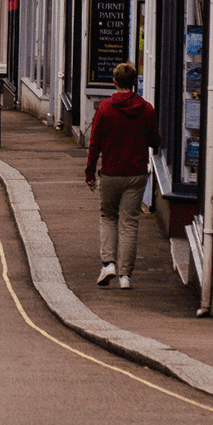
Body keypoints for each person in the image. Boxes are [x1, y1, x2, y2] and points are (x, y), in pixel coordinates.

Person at [85, 61, 161, 289]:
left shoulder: (105, 109)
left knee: (108, 217)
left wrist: (90, 172)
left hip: (110, 172)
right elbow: (155, 142)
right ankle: (125, 276)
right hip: (136, 174)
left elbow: (94, 143)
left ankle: (108, 263)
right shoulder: (146, 109)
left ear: (115, 82)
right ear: (134, 82)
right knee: (130, 223)